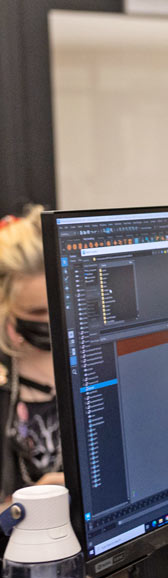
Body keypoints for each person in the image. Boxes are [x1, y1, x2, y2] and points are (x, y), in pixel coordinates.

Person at [0, 206, 63, 504]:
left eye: (58, 304)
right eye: (38, 312)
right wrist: (25, 507)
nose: (53, 321)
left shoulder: (91, 362)